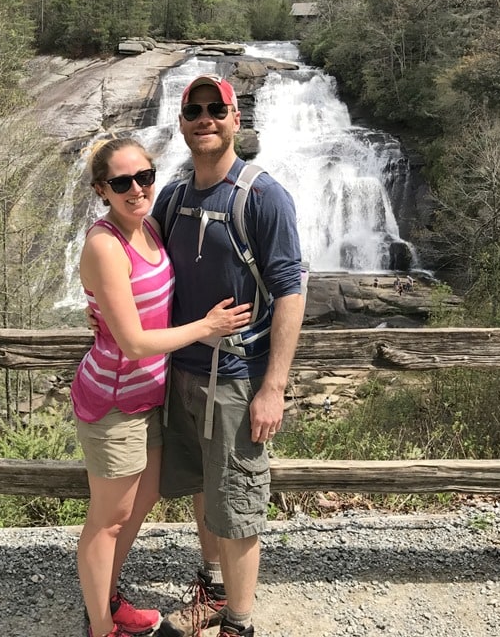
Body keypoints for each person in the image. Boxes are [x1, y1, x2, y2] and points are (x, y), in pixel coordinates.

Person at [73, 137, 253, 637]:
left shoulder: (151, 226)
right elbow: (132, 343)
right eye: (122, 182)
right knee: (108, 518)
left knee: (142, 499)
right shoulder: (104, 244)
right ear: (101, 190)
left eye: (144, 177)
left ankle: (107, 597)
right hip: (113, 400)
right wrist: (207, 327)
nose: (136, 189)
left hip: (151, 393)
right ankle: (101, 627)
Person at [152, 75, 306, 637]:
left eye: (216, 109)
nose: (205, 119)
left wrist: (273, 388)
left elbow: (291, 291)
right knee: (203, 486)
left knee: (237, 503)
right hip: (182, 371)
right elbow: (139, 264)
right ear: (182, 123)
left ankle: (238, 624)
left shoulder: (264, 197)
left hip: (238, 378)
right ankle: (213, 591)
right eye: (194, 110)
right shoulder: (172, 197)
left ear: (236, 119)